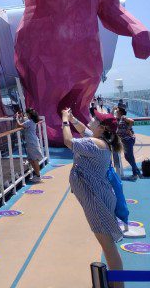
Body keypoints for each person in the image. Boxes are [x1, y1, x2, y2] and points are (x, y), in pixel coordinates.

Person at [61, 108, 124, 288]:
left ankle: (118, 286)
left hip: (97, 201)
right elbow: (83, 130)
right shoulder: (100, 140)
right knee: (108, 245)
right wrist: (73, 119)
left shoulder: (95, 144)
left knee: (108, 248)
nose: (92, 118)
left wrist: (65, 120)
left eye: (96, 118)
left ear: (103, 127)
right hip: (99, 196)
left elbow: (68, 141)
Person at [15, 108, 43, 183]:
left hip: (32, 142)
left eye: (27, 114)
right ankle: (37, 175)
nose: (26, 115)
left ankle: (38, 176)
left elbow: (19, 125)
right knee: (30, 159)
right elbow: (25, 121)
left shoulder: (29, 122)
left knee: (34, 159)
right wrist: (21, 117)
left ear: (29, 115)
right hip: (32, 142)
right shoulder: (32, 121)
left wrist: (17, 118)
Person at [115, 106, 141, 180]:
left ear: (120, 112)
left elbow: (132, 121)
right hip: (124, 140)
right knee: (127, 157)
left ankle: (135, 174)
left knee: (130, 156)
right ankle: (137, 171)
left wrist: (128, 129)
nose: (116, 113)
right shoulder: (118, 119)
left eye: (117, 111)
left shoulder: (123, 117)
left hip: (128, 139)